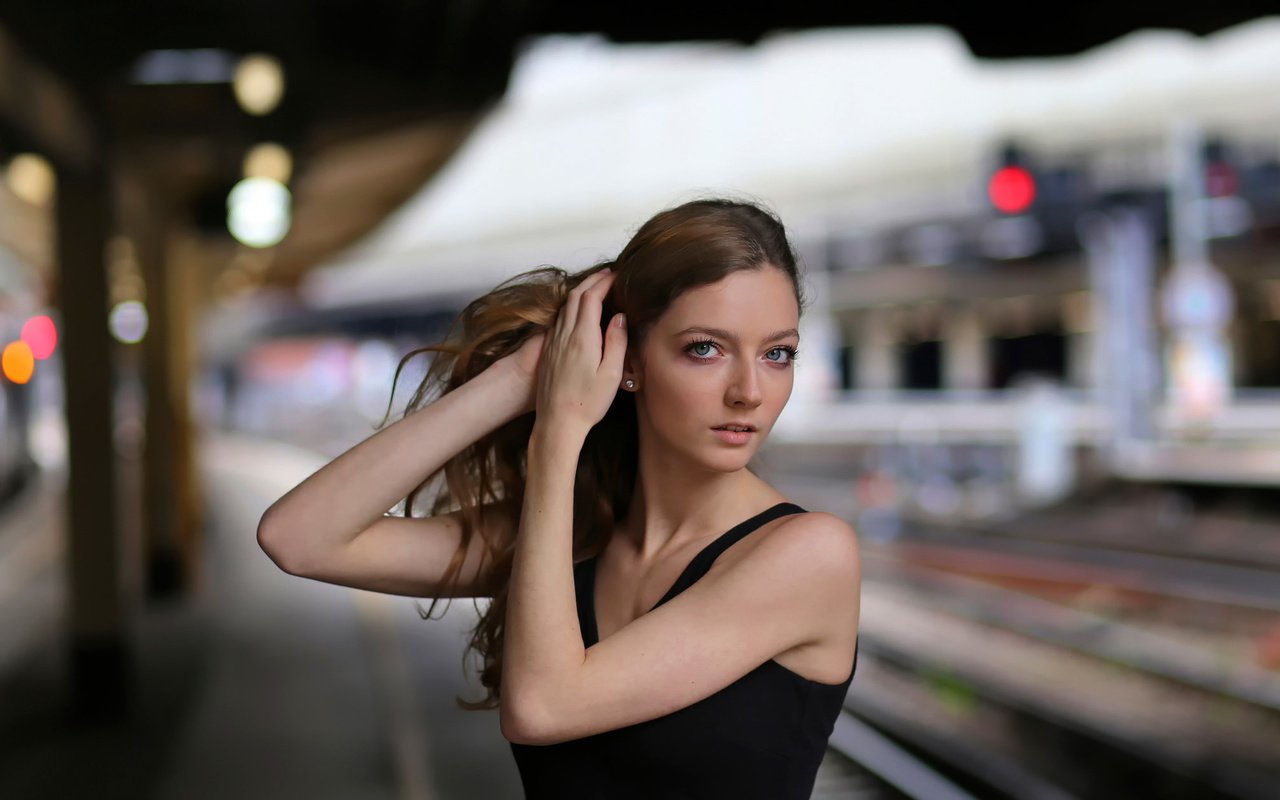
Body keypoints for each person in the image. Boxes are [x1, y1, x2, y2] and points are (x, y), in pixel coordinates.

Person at [257, 197, 861, 799]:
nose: (750, 392)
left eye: (777, 353)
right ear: (628, 360)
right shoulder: (572, 533)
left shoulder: (808, 556)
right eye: (706, 348)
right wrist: (522, 378)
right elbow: (299, 538)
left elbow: (542, 707)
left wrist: (558, 432)